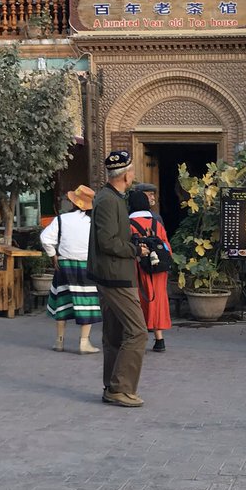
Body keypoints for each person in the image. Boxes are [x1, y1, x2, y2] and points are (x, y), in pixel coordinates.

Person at [87, 150, 148, 408]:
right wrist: (135, 249)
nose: (134, 175)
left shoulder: (112, 198)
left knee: (114, 334)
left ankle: (111, 385)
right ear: (125, 175)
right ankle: (120, 388)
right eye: (132, 171)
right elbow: (107, 241)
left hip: (112, 273)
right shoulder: (109, 201)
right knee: (138, 332)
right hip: (115, 276)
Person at [39, 184, 101, 354]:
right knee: (87, 302)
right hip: (87, 265)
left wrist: (53, 255)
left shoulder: (62, 219)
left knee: (62, 302)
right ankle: (84, 342)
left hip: (64, 265)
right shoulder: (94, 222)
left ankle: (59, 341)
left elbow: (45, 238)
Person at [128, 188, 172, 353]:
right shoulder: (157, 223)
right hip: (159, 268)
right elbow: (167, 246)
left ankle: (139, 338)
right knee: (158, 299)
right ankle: (159, 339)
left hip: (139, 268)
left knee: (140, 300)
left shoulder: (128, 224)